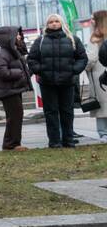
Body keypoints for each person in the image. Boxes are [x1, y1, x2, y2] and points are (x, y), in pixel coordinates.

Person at [27, 13, 88, 148]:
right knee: (51, 112)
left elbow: (82, 58)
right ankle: (54, 141)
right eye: (51, 22)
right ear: (47, 25)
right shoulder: (40, 41)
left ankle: (68, 140)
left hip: (67, 82)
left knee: (67, 111)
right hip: (47, 82)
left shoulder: (73, 39)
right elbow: (31, 59)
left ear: (61, 23)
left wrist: (74, 70)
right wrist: (41, 70)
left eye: (56, 21)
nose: (54, 24)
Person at [0, 25, 32, 151]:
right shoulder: (2, 54)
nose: (20, 36)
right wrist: (19, 73)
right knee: (14, 116)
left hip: (13, 89)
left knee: (16, 116)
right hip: (8, 91)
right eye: (17, 34)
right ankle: (11, 144)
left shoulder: (13, 52)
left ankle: (13, 143)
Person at [86, 10, 107, 142]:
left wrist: (85, 66)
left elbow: (91, 59)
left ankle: (103, 133)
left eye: (93, 19)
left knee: (101, 106)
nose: (90, 21)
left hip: (99, 76)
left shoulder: (95, 39)